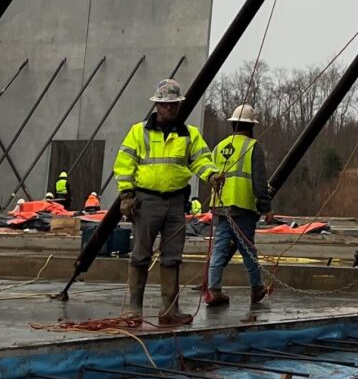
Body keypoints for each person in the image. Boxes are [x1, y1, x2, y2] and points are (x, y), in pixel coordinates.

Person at [113, 79, 208, 322]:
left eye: (173, 105)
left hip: (175, 202)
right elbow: (125, 164)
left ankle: (169, 310)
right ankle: (134, 307)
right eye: (165, 105)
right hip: (146, 201)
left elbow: (201, 160)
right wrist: (126, 195)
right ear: (157, 105)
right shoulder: (139, 132)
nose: (169, 109)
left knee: (172, 257)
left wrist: (213, 175)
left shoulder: (189, 135)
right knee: (140, 254)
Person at [199, 105, 272, 312]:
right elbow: (259, 181)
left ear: (232, 124)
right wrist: (266, 207)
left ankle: (213, 289)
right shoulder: (253, 147)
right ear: (251, 126)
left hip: (221, 206)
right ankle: (257, 287)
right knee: (248, 249)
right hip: (243, 206)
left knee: (220, 248)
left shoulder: (220, 146)